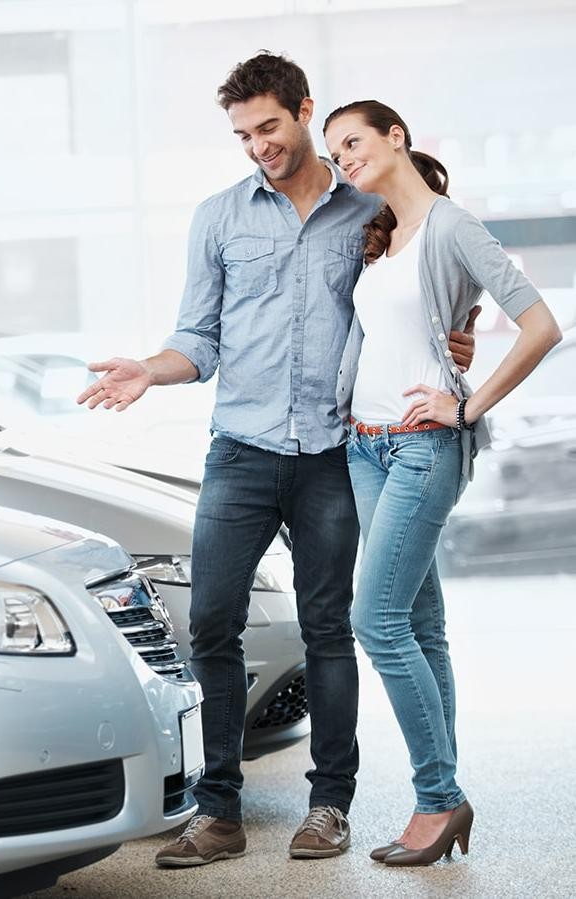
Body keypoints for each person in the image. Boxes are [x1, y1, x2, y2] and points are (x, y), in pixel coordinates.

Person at [75, 52, 480, 867]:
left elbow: (425, 289)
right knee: (213, 623)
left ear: (304, 111)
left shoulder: (367, 205)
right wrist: (150, 370)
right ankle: (216, 810)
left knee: (331, 628)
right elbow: (200, 337)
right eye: (242, 134)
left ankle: (329, 805)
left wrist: (453, 340)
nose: (257, 144)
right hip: (242, 450)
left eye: (268, 126)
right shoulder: (219, 218)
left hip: (336, 452)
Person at [320, 100, 560, 866]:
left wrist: (468, 403)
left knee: (376, 620)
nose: (345, 159)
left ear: (397, 137)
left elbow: (542, 325)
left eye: (353, 142)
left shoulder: (452, 226)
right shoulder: (383, 238)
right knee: (420, 625)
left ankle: (438, 797)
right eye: (336, 153)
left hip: (425, 446)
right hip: (367, 447)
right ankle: (443, 791)